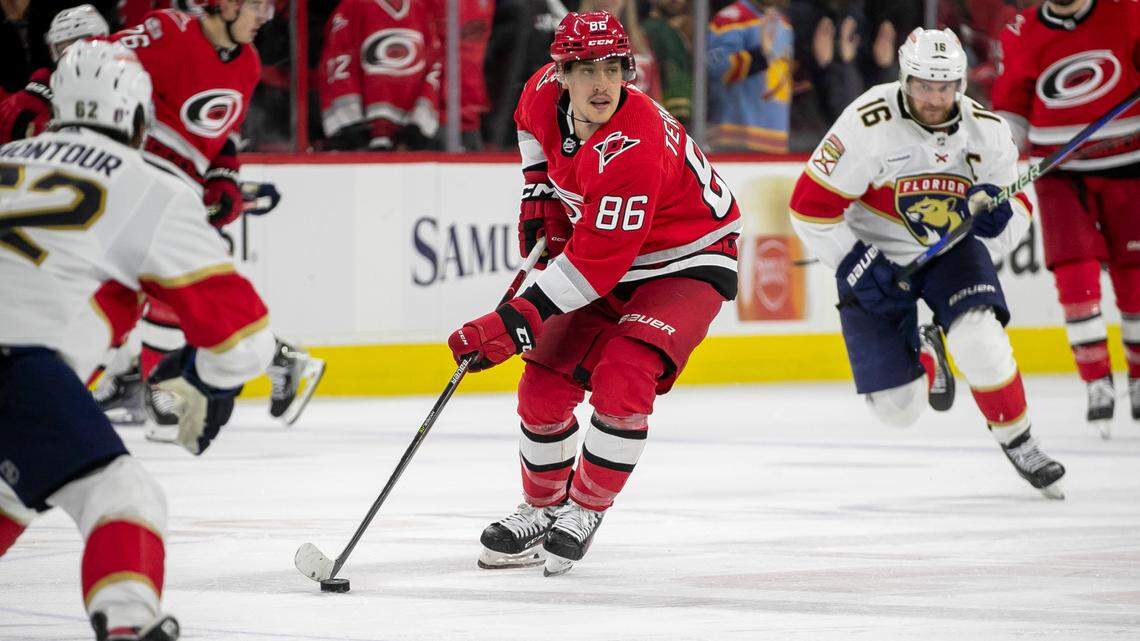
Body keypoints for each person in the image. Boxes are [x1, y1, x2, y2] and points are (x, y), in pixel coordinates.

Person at [0, 40, 278, 640]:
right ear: (137, 115)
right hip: (15, 361)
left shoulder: (7, 155)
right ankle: (128, 624)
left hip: (22, 371)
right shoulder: (148, 185)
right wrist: (206, 382)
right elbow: (245, 339)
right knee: (123, 495)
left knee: (13, 492)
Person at [447, 11, 741, 576]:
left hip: (687, 258)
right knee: (541, 388)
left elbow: (592, 269)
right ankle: (541, 508)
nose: (602, 83)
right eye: (585, 70)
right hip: (612, 257)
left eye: (613, 68)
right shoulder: (539, 91)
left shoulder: (636, 146)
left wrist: (514, 319)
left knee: (625, 375)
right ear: (560, 74)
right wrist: (538, 188)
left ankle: (584, 508)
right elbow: (527, 127)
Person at [788, 27, 1066, 498]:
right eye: (923, 85)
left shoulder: (987, 132)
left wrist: (996, 224)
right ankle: (927, 354)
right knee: (898, 409)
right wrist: (856, 263)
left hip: (950, 250)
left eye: (944, 86)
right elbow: (809, 208)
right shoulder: (867, 123)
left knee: (979, 337)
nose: (934, 98)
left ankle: (1020, 441)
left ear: (960, 84)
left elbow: (1018, 206)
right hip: (872, 254)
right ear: (905, 79)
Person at [103, 0, 324, 428]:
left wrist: (224, 176)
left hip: (174, 197)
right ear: (225, 4)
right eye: (257, 7)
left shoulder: (248, 63)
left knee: (167, 290)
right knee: (156, 288)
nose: (264, 19)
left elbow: (223, 133)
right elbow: (95, 58)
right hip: (136, 182)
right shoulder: (168, 30)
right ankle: (149, 382)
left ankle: (154, 385)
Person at [991, 0, 1140, 439]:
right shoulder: (1020, 32)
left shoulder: (1127, 11)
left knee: (1135, 275)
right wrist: (998, 160)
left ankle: (1137, 375)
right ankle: (1096, 380)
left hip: (1130, 160)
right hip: (1060, 169)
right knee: (1074, 273)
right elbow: (1011, 109)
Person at [317, 0, 442, 151]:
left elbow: (433, 66)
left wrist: (419, 124)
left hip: (406, 139)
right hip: (362, 136)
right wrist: (349, 123)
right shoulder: (353, 6)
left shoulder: (420, 8)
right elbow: (338, 60)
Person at [0, 4, 110, 144]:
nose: (73, 54)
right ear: (53, 50)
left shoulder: (125, 80)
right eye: (63, 48)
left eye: (81, 44)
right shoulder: (31, 100)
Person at [706, 0, 794, 152]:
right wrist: (759, 56)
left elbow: (784, 77)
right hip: (736, 139)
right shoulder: (731, 18)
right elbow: (714, 68)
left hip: (778, 140)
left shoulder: (784, 22)